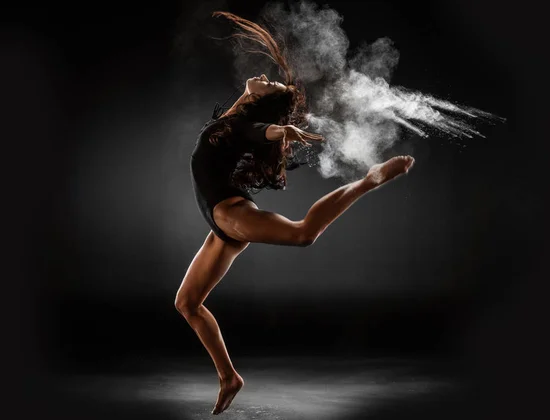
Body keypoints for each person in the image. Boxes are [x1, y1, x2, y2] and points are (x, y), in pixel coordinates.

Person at [175, 11, 415, 415]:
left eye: (269, 84)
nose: (265, 78)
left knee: (304, 233)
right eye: (269, 82)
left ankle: (369, 180)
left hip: (230, 215)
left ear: (259, 104)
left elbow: (258, 130)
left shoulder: (243, 125)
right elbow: (249, 120)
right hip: (220, 226)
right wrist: (266, 112)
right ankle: (229, 377)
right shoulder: (236, 115)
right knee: (187, 304)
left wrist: (280, 131)